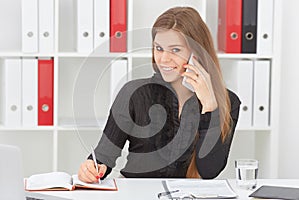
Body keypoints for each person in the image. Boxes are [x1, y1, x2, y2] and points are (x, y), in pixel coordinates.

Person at [78, 6, 241, 183]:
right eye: (159, 48)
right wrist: (92, 168)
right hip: (135, 193)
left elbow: (209, 171)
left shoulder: (227, 102)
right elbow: (104, 156)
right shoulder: (134, 93)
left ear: (197, 54)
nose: (163, 59)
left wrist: (210, 107)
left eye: (175, 50)